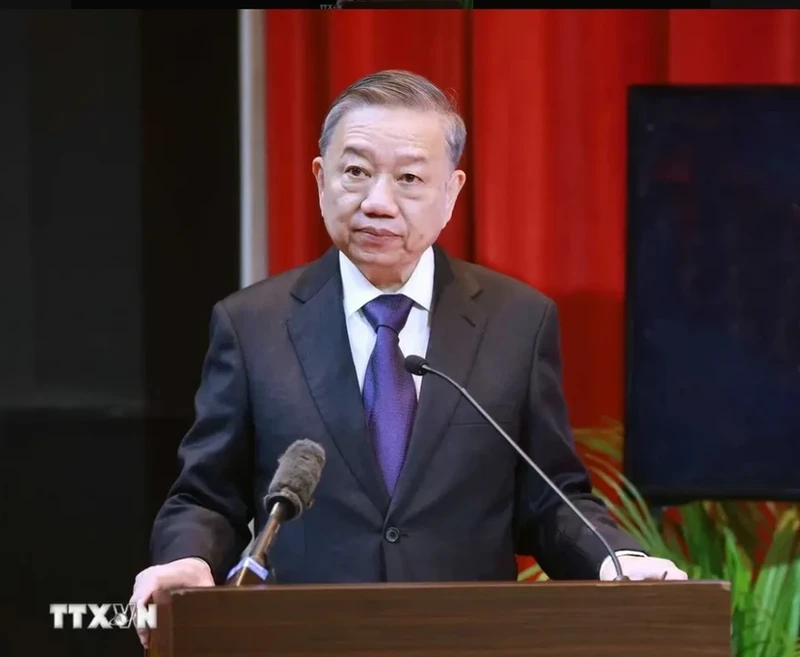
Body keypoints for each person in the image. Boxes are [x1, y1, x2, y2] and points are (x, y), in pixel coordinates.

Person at [131, 69, 686, 648]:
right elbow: (206, 495)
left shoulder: (516, 321)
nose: (377, 202)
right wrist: (188, 559)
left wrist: (618, 559)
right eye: (355, 172)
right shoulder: (251, 325)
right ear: (321, 180)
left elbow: (550, 495)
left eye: (410, 178)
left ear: (452, 193)